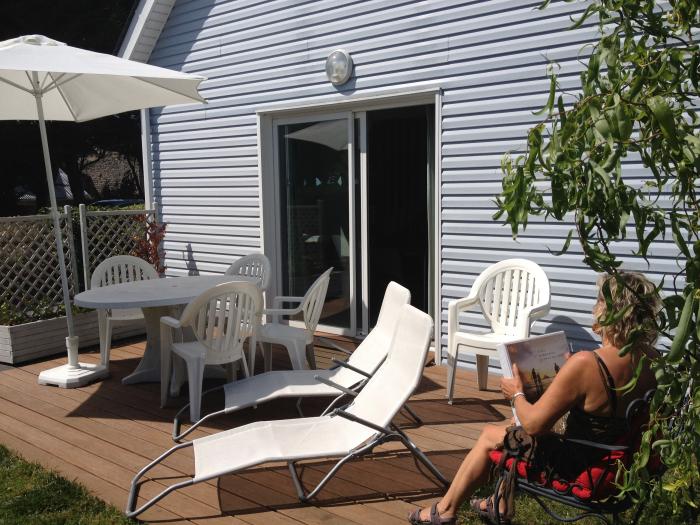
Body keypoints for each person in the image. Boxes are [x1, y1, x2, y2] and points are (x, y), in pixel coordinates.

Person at [408, 272, 660, 525]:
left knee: (490, 435)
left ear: (608, 312)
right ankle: (499, 503)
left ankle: (445, 510)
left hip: (578, 466)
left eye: (599, 301)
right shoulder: (654, 359)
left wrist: (516, 393)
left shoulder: (587, 363)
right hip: (619, 461)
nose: (595, 308)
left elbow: (533, 426)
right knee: (512, 426)